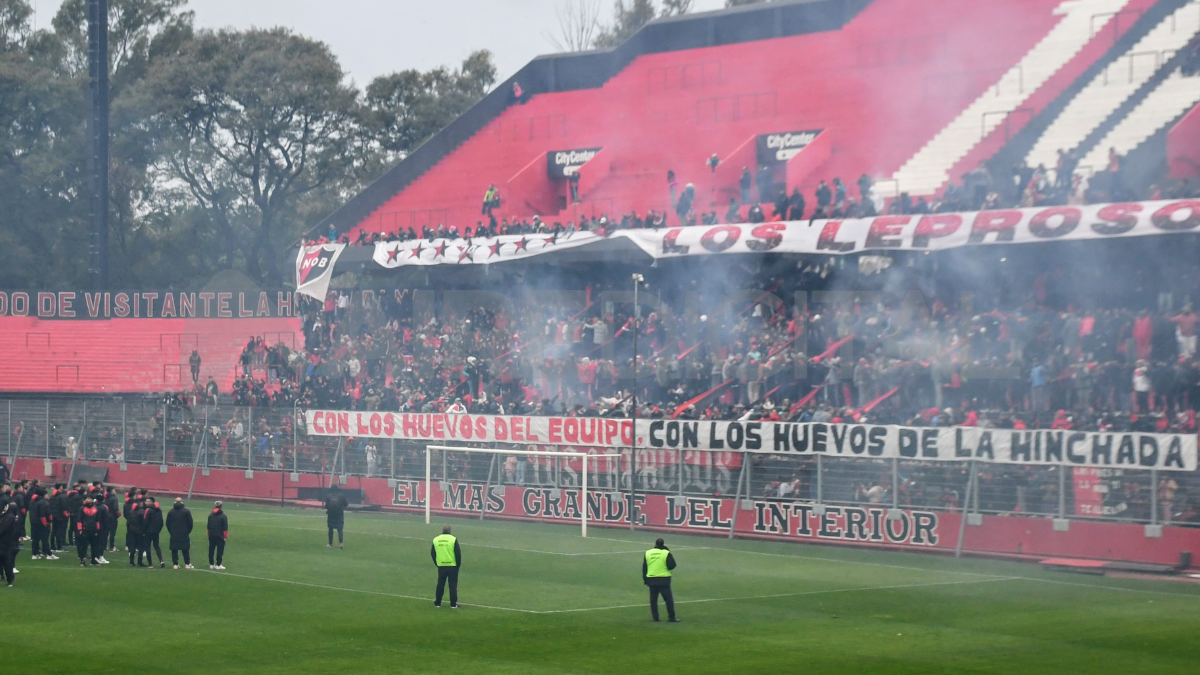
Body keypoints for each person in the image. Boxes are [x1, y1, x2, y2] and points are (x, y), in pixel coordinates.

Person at [643, 538, 679, 622]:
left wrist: (645, 580)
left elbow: (644, 567)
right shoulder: (666, 553)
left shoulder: (648, 553)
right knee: (668, 599)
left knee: (653, 600)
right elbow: (672, 565)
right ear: (663, 544)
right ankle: (671, 617)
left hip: (651, 579)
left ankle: (655, 617)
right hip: (664, 579)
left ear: (655, 544)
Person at [431, 525, 462, 608]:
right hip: (452, 566)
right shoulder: (453, 539)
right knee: (452, 585)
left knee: (440, 584)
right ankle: (453, 604)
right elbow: (458, 553)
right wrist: (458, 565)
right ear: (450, 530)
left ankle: (438, 603)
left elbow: (433, 553)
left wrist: (437, 563)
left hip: (441, 566)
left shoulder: (436, 539)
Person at [166, 498, 194, 569]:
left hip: (174, 533)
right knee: (185, 549)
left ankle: (175, 564)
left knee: (174, 549)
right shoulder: (186, 511)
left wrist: (171, 531)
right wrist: (187, 531)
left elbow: (167, 523)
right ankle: (187, 564)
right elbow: (190, 523)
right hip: (184, 533)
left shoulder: (171, 512)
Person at [76, 497, 103, 566]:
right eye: (87, 498)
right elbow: (79, 520)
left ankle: (93, 560)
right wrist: (80, 529)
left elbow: (97, 520)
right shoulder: (82, 508)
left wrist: (97, 529)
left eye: (90, 498)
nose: (88, 500)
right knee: (84, 546)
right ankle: (82, 561)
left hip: (93, 530)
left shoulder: (95, 508)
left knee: (94, 546)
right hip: (85, 530)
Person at [141, 496, 165, 568]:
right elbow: (161, 522)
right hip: (156, 531)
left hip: (148, 531)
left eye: (147, 501)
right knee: (156, 546)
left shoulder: (148, 510)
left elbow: (145, 521)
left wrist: (143, 531)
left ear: (151, 502)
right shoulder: (159, 510)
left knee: (148, 547)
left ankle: (150, 564)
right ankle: (161, 560)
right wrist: (158, 530)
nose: (146, 502)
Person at [324, 485, 348, 549]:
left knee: (330, 529)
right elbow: (346, 504)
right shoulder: (341, 496)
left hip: (331, 515)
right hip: (339, 515)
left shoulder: (328, 496)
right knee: (340, 529)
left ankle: (330, 544)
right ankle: (341, 543)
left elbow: (326, 506)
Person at [0, 501, 17, 586]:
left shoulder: (9, 518)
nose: (5, 508)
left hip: (4, 542)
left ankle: (10, 579)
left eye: (6, 506)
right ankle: (9, 578)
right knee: (5, 560)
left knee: (5, 560)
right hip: (5, 541)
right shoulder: (8, 516)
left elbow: (3, 529)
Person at [207, 501, 228, 570]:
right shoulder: (223, 516)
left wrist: (208, 534)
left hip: (212, 535)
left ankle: (211, 564)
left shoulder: (210, 515)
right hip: (220, 536)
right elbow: (225, 528)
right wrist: (225, 536)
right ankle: (218, 564)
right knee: (220, 550)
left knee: (211, 549)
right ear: (221, 506)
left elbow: (208, 526)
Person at [128, 495, 147, 567]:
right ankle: (139, 561)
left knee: (133, 546)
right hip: (140, 531)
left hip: (132, 530)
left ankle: (131, 561)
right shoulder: (142, 511)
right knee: (141, 547)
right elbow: (144, 522)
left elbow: (129, 521)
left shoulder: (131, 511)